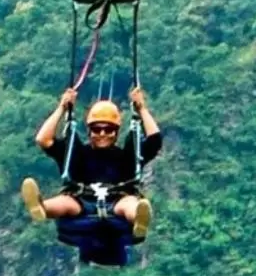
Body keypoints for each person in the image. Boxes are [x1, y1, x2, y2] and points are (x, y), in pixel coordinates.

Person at [21, 86, 162, 239]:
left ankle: (138, 217)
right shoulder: (76, 154)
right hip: (81, 200)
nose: (102, 134)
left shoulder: (127, 157)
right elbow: (43, 139)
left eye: (108, 129)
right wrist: (62, 107)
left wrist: (142, 109)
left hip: (117, 201)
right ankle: (41, 207)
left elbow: (155, 140)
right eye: (96, 129)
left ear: (116, 132)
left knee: (128, 203)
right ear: (89, 131)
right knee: (66, 202)